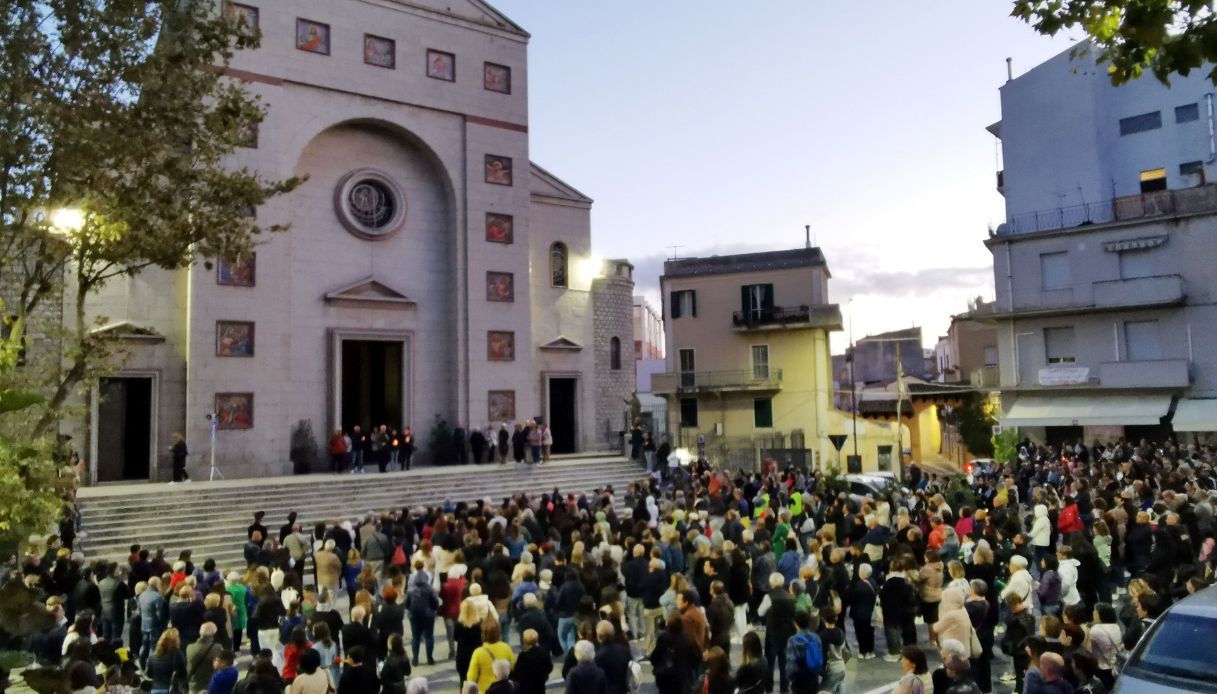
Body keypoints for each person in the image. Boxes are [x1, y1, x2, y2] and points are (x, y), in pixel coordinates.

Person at [468, 618, 515, 693]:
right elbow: (512, 667)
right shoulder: (506, 648)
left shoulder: (478, 652)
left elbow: (471, 677)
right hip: (503, 690)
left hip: (484, 690)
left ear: (483, 634)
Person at [405, 569, 439, 665]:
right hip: (428, 616)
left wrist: (410, 611)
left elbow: (406, 604)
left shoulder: (410, 589)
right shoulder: (429, 589)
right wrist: (434, 610)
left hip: (414, 616)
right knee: (429, 637)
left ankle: (415, 659)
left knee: (415, 637)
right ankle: (429, 658)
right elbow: (435, 602)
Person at [785, 609, 823, 694]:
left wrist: (790, 679)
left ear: (795, 624)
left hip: (799, 682)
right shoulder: (816, 637)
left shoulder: (793, 640)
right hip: (814, 680)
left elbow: (791, 665)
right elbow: (820, 658)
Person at [146, 628, 188, 694]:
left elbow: (149, 674)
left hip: (154, 689)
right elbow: (183, 673)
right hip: (170, 689)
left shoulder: (153, 654)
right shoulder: (176, 653)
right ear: (175, 640)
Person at [510, 629, 553, 694]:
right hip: (540, 686)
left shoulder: (523, 656)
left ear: (525, 641)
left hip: (526, 688)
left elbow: (517, 674)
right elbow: (549, 668)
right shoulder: (544, 652)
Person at [186, 622, 223, 693]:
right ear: (213, 634)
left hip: (194, 686)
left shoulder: (189, 648)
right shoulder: (218, 648)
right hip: (210, 685)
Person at [453, 602, 484, 687]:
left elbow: (455, 637)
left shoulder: (458, 624)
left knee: (463, 681)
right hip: (476, 654)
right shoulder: (478, 624)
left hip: (462, 654)